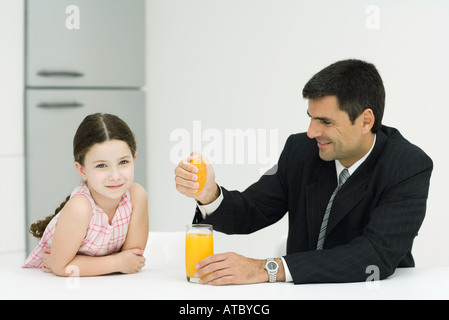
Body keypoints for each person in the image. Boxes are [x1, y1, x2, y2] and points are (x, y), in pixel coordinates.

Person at [174, 59, 433, 285]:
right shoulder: (300, 150)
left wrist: (266, 269)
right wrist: (210, 194)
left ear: (366, 121)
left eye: (325, 121)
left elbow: (375, 254)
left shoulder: (408, 165)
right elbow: (253, 210)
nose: (311, 132)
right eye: (310, 117)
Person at [23, 113, 149, 277]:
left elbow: (132, 260)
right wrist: (117, 262)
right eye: (102, 165)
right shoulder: (81, 207)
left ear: (134, 159)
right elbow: (62, 268)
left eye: (123, 162)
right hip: (47, 285)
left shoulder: (136, 196)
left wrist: (120, 263)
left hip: (98, 283)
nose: (115, 176)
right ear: (82, 170)